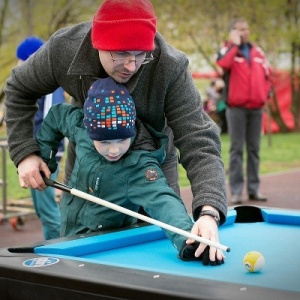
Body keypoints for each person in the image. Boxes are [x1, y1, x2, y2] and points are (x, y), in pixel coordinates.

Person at [4, 0, 227, 262]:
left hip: (151, 160)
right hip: (90, 150)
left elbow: (198, 138)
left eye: (140, 54)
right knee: (81, 233)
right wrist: (25, 153)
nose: (131, 65)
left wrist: (209, 211)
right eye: (120, 54)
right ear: (98, 44)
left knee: (157, 231)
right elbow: (19, 88)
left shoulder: (170, 66)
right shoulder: (63, 49)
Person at [35, 77, 224, 264]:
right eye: (105, 142)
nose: (114, 150)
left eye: (122, 140)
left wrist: (188, 241)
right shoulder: (81, 128)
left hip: (104, 248)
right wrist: (44, 160)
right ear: (89, 131)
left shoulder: (138, 166)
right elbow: (56, 116)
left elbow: (164, 202)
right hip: (68, 231)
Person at [216, 18, 271, 204]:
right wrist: (234, 45)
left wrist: (265, 96)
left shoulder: (258, 52)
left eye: (246, 29)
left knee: (254, 150)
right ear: (233, 32)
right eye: (239, 30)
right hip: (236, 108)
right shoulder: (227, 50)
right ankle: (237, 191)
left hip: (256, 108)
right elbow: (223, 64)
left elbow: (267, 76)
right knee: (237, 149)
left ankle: (254, 189)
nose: (244, 32)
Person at [16, 36, 65, 239]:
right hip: (34, 154)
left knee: (49, 214)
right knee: (42, 211)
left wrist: (41, 154)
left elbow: (51, 119)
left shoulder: (49, 84)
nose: (18, 64)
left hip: (44, 156)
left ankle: (58, 257)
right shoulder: (33, 84)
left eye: (21, 59)